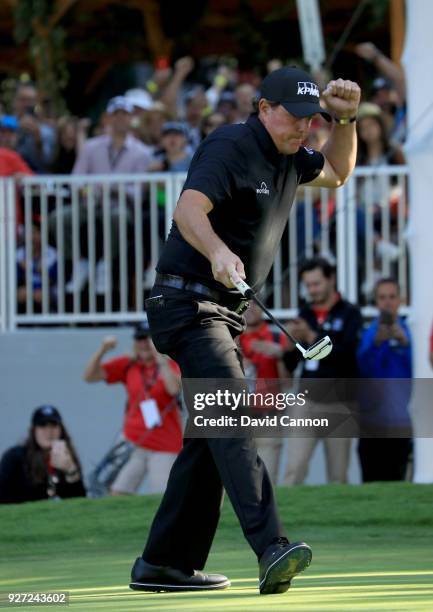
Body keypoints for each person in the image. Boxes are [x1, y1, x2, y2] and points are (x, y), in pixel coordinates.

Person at [129, 66, 361, 595]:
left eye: (312, 120)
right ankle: (272, 545)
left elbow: (336, 172)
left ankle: (162, 563)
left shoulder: (293, 153)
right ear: (262, 108)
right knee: (231, 414)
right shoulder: (230, 145)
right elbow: (190, 208)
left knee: (210, 436)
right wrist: (216, 251)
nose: (304, 129)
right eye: (294, 118)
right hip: (187, 305)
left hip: (218, 313)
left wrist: (346, 120)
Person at [48, 96, 152, 294]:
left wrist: (112, 188)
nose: (120, 119)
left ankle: (105, 263)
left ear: (131, 119)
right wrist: (86, 190)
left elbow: (138, 193)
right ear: (108, 118)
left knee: (117, 217)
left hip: (119, 206)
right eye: (116, 114)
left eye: (125, 115)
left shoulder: (142, 152)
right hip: (89, 204)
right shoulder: (90, 146)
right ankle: (80, 261)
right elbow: (76, 180)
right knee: (57, 219)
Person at [282, 258, 362, 485]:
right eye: (308, 285)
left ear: (331, 279)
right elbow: (292, 365)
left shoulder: (350, 313)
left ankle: (337, 521)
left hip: (341, 402)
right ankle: (286, 519)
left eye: (316, 284)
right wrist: (289, 348)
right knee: (293, 469)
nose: (312, 290)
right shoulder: (304, 314)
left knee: (338, 475)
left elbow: (347, 355)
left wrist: (311, 337)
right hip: (306, 402)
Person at [83, 322, 183, 495]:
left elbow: (174, 388)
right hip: (133, 441)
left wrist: (160, 357)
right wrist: (103, 349)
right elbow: (90, 376)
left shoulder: (170, 364)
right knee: (118, 492)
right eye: (139, 339)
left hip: (165, 444)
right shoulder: (129, 364)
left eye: (148, 338)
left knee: (163, 497)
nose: (144, 343)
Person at [356, 278, 412, 481]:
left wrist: (404, 343)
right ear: (376, 303)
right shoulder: (369, 334)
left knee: (397, 485)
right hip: (372, 422)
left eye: (392, 297)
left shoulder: (410, 332)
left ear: (401, 300)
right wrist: (377, 343)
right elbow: (362, 369)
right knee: (371, 485)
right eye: (382, 298)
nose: (387, 302)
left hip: (400, 421)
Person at [239, 302, 289, 482]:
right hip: (237, 420)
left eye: (255, 304)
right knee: (240, 483)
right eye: (246, 305)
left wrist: (280, 356)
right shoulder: (231, 337)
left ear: (263, 308)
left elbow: (287, 383)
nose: (250, 309)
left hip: (269, 420)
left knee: (267, 482)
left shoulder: (276, 338)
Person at [0, 405, 86, 504]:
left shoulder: (67, 456)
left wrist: (70, 470)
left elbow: (79, 503)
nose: (49, 431)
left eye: (53, 425)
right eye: (42, 425)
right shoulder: (15, 457)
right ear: (33, 431)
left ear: (61, 430)